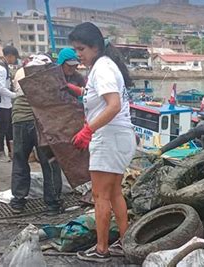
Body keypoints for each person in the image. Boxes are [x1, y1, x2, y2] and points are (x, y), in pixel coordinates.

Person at [69, 22, 136, 262]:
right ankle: (124, 243)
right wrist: (76, 91)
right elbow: (100, 98)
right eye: (75, 50)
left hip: (109, 137)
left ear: (96, 47)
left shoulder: (102, 68)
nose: (78, 54)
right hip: (118, 136)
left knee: (100, 197)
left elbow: (113, 105)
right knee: (115, 193)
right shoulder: (104, 66)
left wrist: (88, 130)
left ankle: (101, 249)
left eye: (81, 49)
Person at [9, 54, 64, 215]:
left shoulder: (20, 71)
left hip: (19, 119)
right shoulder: (47, 72)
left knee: (20, 159)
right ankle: (53, 204)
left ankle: (18, 202)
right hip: (39, 121)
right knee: (50, 161)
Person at [0, 46, 18, 162]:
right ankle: (1, 153)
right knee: (3, 128)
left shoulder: (3, 66)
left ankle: (11, 152)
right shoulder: (0, 69)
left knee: (10, 128)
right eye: (15, 57)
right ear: (10, 56)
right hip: (0, 103)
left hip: (6, 102)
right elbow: (1, 88)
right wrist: (15, 95)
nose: (15, 60)